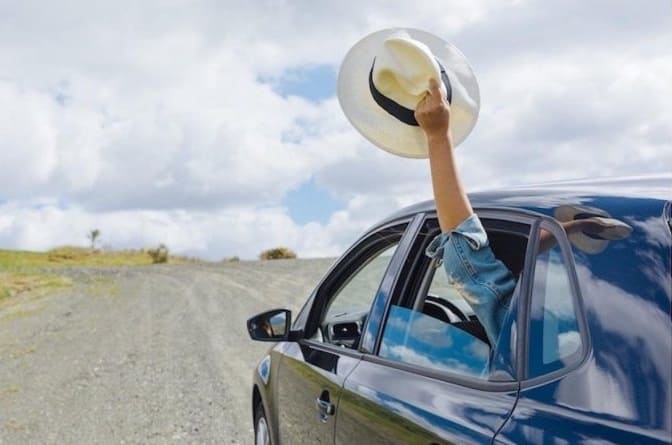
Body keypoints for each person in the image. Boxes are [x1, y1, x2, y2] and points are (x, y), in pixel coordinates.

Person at [414, 78, 615, 347]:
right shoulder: (620, 327)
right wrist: (569, 228)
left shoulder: (536, 343)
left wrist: (438, 137)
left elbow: (468, 263)